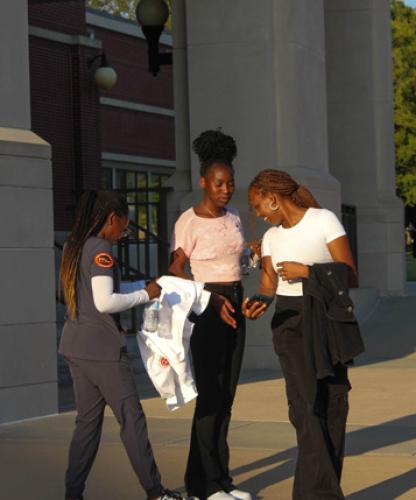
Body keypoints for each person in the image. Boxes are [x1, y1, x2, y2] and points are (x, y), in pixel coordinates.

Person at [59, 190, 187, 500]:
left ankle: (72, 494)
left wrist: (146, 287)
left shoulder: (74, 248)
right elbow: (105, 301)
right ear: (112, 219)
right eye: (124, 227)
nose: (123, 234)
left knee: (87, 425)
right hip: (102, 350)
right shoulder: (102, 249)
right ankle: (156, 493)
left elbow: (100, 291)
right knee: (132, 419)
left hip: (76, 346)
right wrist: (146, 295)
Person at [242, 169, 360, 500]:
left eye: (257, 205)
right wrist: (259, 302)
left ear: (272, 197)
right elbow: (268, 283)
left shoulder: (324, 221)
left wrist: (307, 272)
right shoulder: (270, 238)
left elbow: (349, 274)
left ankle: (322, 491)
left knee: (333, 406)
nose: (258, 213)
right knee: (305, 408)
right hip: (289, 323)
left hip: (326, 323)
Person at [168, 130, 251, 500]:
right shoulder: (189, 221)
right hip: (207, 308)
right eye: (219, 183)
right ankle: (203, 485)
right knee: (210, 396)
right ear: (204, 181)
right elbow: (175, 270)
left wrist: (253, 257)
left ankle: (221, 479)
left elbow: (236, 260)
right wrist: (209, 297)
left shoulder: (233, 216)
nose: (226, 190)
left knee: (228, 395)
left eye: (230, 183)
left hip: (236, 301)